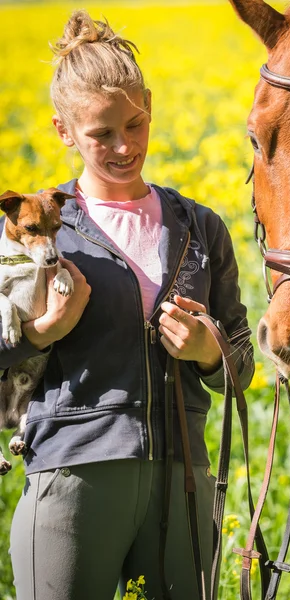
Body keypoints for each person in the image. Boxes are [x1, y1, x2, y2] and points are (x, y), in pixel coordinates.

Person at [1, 10, 254, 600]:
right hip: (74, 474)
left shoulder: (201, 226)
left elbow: (241, 362)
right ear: (64, 131)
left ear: (150, 106)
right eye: (101, 133)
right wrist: (39, 332)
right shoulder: (37, 229)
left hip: (183, 483)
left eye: (135, 124)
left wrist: (207, 351)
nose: (124, 146)